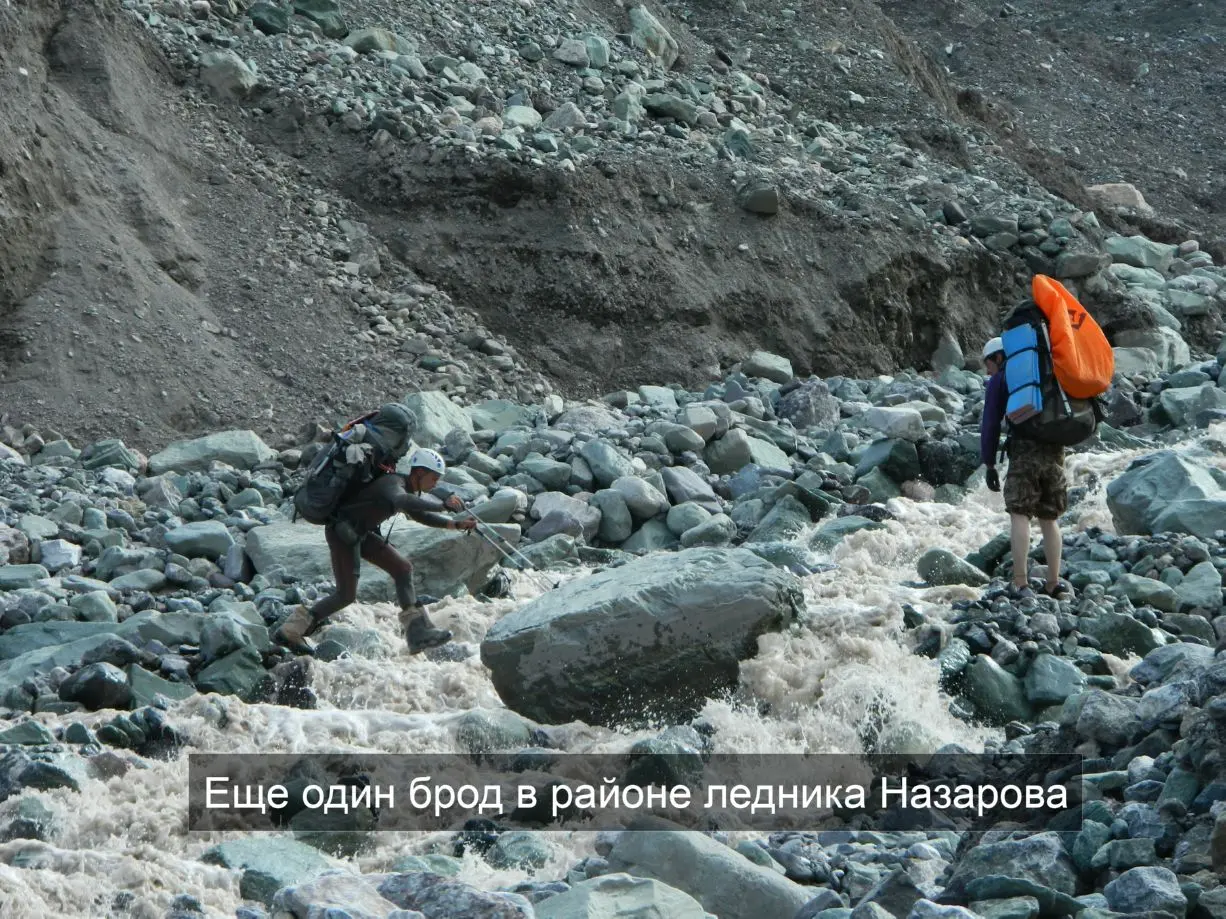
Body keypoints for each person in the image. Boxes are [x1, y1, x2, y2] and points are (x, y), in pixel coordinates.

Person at [274, 426, 479, 654]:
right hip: (343, 533)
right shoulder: (394, 484)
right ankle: (291, 630)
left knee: (402, 568)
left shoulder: (404, 487)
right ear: (419, 472)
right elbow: (403, 502)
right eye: (433, 478)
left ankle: (417, 633)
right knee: (345, 595)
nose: (435, 484)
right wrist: (442, 505)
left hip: (359, 533)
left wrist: (455, 524)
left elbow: (418, 514)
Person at [980, 336, 1073, 601]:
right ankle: (1054, 584)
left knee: (1020, 513)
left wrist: (989, 463)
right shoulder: (1046, 369)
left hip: (1024, 453)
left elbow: (990, 423)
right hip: (1055, 450)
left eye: (988, 364)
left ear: (998, 357)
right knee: (1049, 516)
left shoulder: (1003, 378)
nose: (988, 371)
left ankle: (1021, 583)